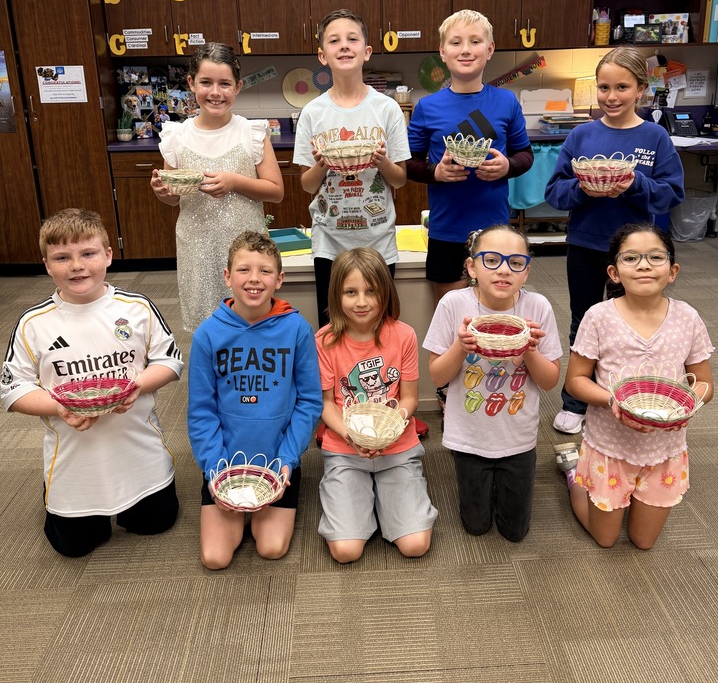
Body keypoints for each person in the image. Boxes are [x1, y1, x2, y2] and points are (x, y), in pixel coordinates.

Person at [0, 209, 183, 558]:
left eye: (88, 253)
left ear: (108, 255)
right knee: (74, 547)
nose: (76, 266)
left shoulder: (137, 308)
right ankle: (58, 494)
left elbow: (170, 361)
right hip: (75, 460)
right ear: (46, 264)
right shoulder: (33, 323)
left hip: (139, 454)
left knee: (157, 523)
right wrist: (58, 406)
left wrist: (138, 386)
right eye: (62, 257)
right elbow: (13, 388)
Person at [544, 46, 684, 435]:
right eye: (604, 87)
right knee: (583, 322)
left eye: (622, 86)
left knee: (634, 324)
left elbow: (672, 194)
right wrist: (586, 188)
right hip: (587, 244)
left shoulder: (655, 137)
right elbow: (555, 193)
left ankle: (633, 396)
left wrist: (635, 183)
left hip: (636, 252)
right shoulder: (581, 134)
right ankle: (576, 401)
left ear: (640, 89)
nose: (612, 96)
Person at [553, 223, 714, 550]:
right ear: (614, 272)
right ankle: (574, 473)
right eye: (631, 258)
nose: (644, 265)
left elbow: (706, 384)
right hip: (610, 447)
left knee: (642, 541)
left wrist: (690, 403)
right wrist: (611, 401)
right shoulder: (598, 317)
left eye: (656, 257)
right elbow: (576, 381)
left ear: (673, 270)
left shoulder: (688, 318)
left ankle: (600, 484)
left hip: (664, 450)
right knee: (606, 539)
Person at [187, 230, 322, 569]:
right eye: (244, 269)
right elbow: (201, 411)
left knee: (271, 548)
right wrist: (215, 469)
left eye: (264, 271)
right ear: (227, 276)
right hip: (225, 466)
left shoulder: (297, 330)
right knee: (215, 558)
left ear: (279, 279)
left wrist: (287, 461)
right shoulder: (208, 335)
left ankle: (278, 496)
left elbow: (308, 402)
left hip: (277, 463)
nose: (254, 279)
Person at [423, 224, 561, 542]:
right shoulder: (454, 305)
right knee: (476, 525)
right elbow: (437, 376)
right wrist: (461, 346)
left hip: (518, 437)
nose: (503, 270)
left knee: (515, 531)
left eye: (515, 262)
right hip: (469, 435)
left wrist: (528, 349)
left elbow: (550, 380)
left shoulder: (537, 307)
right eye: (491, 260)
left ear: (526, 271)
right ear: (472, 267)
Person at [151, 43, 284, 332]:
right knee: (206, 325)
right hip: (196, 245)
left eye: (225, 84)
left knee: (251, 320)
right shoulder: (176, 136)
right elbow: (173, 198)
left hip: (247, 248)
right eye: (206, 83)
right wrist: (164, 193)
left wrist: (235, 182)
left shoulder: (251, 132)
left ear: (238, 86)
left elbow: (276, 190)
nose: (215, 92)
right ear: (191, 83)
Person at [315, 247, 437, 563]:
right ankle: (362, 502)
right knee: (345, 551)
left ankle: (387, 502)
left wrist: (390, 429)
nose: (361, 301)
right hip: (345, 447)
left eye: (371, 291)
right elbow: (326, 405)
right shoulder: (324, 341)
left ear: (385, 291)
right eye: (350, 292)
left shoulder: (404, 335)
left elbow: (409, 398)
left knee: (414, 545)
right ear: (336, 295)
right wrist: (353, 436)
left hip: (396, 446)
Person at [406, 9, 533, 305]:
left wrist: (507, 167)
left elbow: (525, 155)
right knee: (451, 316)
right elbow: (408, 164)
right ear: (442, 51)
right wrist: (435, 173)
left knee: (497, 313)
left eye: (475, 41)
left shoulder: (506, 102)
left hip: (495, 231)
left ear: (489, 50)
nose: (465, 50)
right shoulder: (427, 107)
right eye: (456, 42)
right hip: (446, 231)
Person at [293, 9, 411, 325]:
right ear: (322, 55)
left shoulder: (387, 109)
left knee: (380, 331)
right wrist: (320, 166)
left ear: (367, 51)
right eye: (334, 40)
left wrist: (383, 162)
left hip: (378, 245)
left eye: (352, 39)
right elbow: (306, 185)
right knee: (333, 332)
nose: (344, 46)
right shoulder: (313, 113)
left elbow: (399, 180)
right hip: (330, 245)